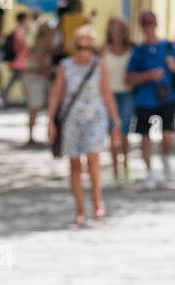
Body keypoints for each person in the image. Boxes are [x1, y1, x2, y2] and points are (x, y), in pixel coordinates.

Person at [49, 25, 119, 227]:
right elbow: (56, 94)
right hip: (72, 120)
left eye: (88, 48)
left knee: (93, 159)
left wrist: (116, 122)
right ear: (74, 47)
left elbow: (106, 93)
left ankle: (97, 199)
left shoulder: (99, 65)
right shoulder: (65, 66)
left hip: (95, 118)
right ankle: (80, 209)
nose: (84, 52)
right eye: (80, 47)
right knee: (75, 165)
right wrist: (51, 122)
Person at [126, 9, 175, 189]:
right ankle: (149, 172)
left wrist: (172, 65)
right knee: (145, 137)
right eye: (145, 24)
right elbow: (129, 78)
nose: (148, 27)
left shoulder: (168, 46)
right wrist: (147, 76)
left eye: (150, 23)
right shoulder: (138, 51)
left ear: (156, 24)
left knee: (168, 136)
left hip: (167, 97)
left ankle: (165, 157)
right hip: (145, 99)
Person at [103, 17, 135, 185]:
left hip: (127, 94)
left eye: (118, 29)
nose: (115, 32)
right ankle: (115, 170)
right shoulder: (104, 50)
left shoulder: (131, 49)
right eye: (112, 28)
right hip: (109, 96)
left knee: (124, 134)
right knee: (113, 133)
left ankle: (126, 166)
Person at [24, 15, 57, 145]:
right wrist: (49, 71)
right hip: (35, 78)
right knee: (34, 107)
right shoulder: (42, 42)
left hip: (32, 77)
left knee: (33, 108)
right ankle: (31, 136)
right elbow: (40, 61)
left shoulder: (38, 40)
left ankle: (32, 135)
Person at [2, 9, 32, 104]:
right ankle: (28, 100)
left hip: (19, 59)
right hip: (20, 59)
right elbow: (22, 44)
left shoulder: (18, 30)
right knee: (20, 80)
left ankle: (4, 96)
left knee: (16, 80)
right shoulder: (20, 31)